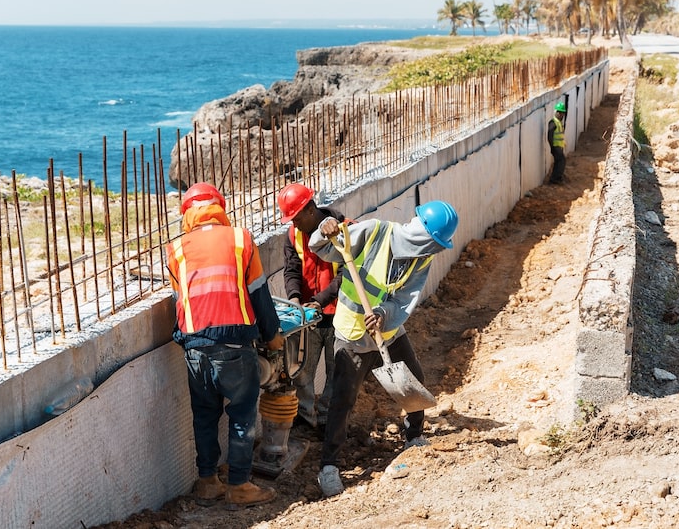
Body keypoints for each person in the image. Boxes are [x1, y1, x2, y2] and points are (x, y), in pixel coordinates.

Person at [307, 200, 459, 497]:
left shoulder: (422, 258)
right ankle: (329, 466)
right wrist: (324, 229)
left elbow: (405, 298)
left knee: (413, 380)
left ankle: (413, 437)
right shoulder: (375, 232)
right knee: (343, 400)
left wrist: (383, 314)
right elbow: (323, 247)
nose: (433, 250)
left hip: (387, 330)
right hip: (352, 333)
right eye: (433, 243)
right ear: (422, 235)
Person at [166, 182, 285, 508]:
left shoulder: (176, 249)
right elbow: (258, 293)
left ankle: (207, 482)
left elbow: (181, 301)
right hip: (233, 344)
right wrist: (272, 335)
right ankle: (239, 485)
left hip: (194, 346)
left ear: (187, 214)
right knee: (242, 414)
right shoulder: (240, 239)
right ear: (220, 208)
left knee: (204, 415)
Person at [278, 183, 347, 435]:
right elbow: (291, 270)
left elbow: (347, 275)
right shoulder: (293, 235)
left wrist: (321, 299)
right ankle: (305, 420)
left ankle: (329, 422)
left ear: (310, 210)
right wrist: (294, 299)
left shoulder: (344, 230)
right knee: (302, 371)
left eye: (296, 218)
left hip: (340, 314)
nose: (294, 224)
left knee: (336, 371)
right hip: (309, 317)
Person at [547, 100, 567, 184]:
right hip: (556, 147)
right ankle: (555, 178)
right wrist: (552, 147)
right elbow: (550, 136)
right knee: (561, 161)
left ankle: (556, 178)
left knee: (559, 162)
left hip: (559, 147)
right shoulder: (553, 122)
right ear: (557, 113)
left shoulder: (558, 122)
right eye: (561, 113)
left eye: (563, 113)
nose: (562, 115)